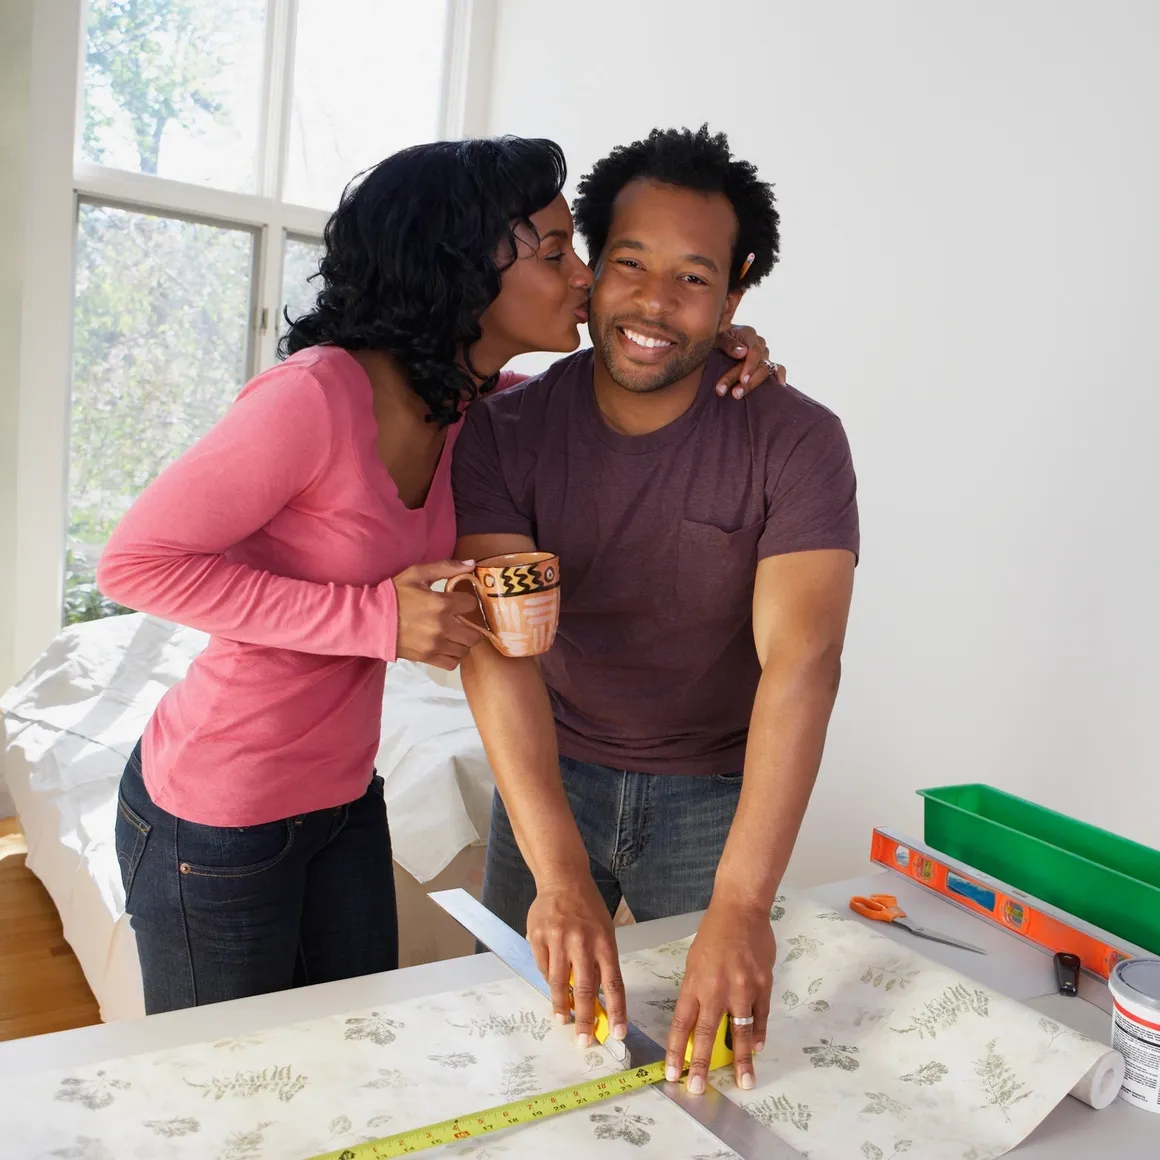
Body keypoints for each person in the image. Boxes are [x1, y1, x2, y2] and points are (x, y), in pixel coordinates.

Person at [95, 134, 783, 1015]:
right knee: (226, 1093)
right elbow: (138, 564)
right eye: (552, 251)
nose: (582, 274)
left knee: (354, 1066)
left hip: (346, 801)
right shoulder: (314, 397)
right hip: (217, 811)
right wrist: (377, 621)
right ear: (458, 268)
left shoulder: (474, 410)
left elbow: (623, 370)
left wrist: (717, 334)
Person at [451, 125, 859, 1096]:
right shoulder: (501, 431)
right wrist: (557, 873)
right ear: (591, 267)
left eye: (691, 277)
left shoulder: (796, 440)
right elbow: (499, 650)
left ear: (735, 288)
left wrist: (742, 899)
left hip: (712, 792)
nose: (653, 303)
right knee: (511, 1045)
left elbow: (801, 660)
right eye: (630, 264)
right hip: (552, 772)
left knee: (716, 1067)